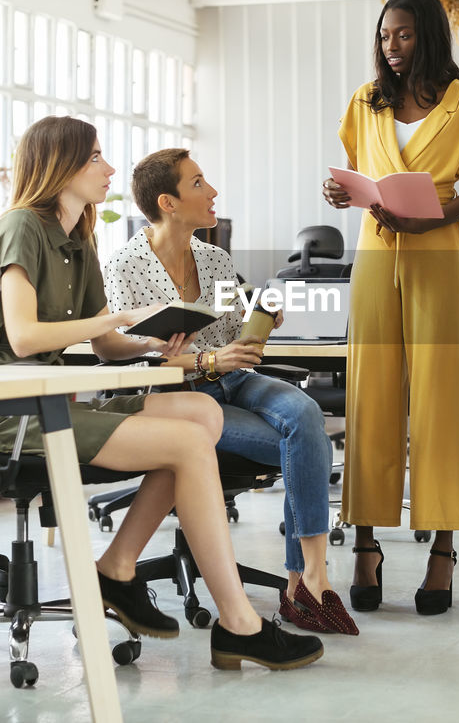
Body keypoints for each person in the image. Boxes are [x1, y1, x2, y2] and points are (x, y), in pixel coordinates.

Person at [0, 115, 323, 670]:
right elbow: (24, 336)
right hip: (7, 413)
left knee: (202, 412)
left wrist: (148, 340)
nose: (108, 169)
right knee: (189, 444)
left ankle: (118, 567)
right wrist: (129, 318)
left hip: (55, 399)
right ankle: (238, 623)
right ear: (60, 167)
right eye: (94, 159)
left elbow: (107, 343)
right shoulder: (20, 227)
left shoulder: (80, 237)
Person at [103, 147, 357, 636]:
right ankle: (302, 592)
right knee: (304, 442)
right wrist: (208, 359)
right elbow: (131, 354)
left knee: (304, 413)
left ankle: (309, 576)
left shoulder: (213, 257)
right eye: (198, 183)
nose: (213, 192)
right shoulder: (126, 267)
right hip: (179, 396)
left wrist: (263, 310)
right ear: (169, 202)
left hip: (235, 378)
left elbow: (238, 317)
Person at [322, 0, 459, 616]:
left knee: (438, 396)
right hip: (373, 254)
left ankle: (442, 553)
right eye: (384, 36)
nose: (392, 47)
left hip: (438, 252)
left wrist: (433, 219)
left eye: (402, 35)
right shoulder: (365, 103)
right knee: (369, 392)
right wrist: (339, 192)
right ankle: (366, 545)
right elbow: (355, 174)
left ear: (427, 35)